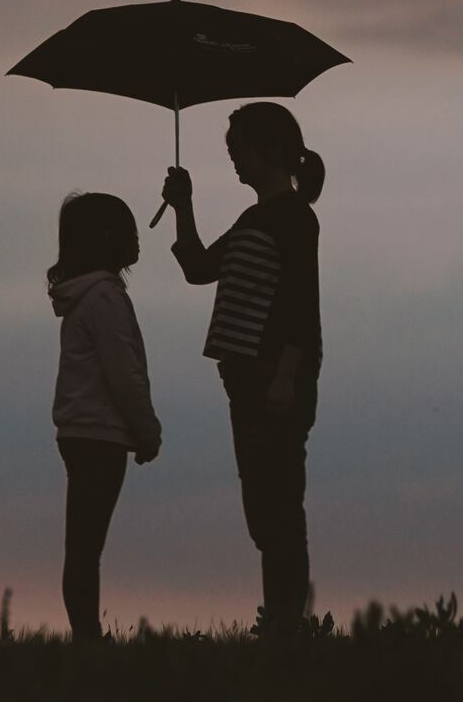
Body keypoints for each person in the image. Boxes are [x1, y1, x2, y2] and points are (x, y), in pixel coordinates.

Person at [160, 102, 324, 637]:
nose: (234, 160)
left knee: (277, 510)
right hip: (245, 381)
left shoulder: (296, 218)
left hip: (275, 378)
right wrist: (183, 205)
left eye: (241, 150)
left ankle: (285, 627)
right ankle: (281, 621)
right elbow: (198, 268)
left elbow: (301, 302)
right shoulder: (254, 219)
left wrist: (285, 375)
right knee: (262, 509)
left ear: (272, 151)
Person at [48, 192, 162, 643]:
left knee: (82, 544)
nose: (137, 238)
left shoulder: (85, 298)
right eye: (128, 229)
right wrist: (147, 432)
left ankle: (86, 636)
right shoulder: (105, 298)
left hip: (80, 432)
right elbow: (124, 374)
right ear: (108, 238)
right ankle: (87, 638)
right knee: (85, 547)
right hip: (100, 436)